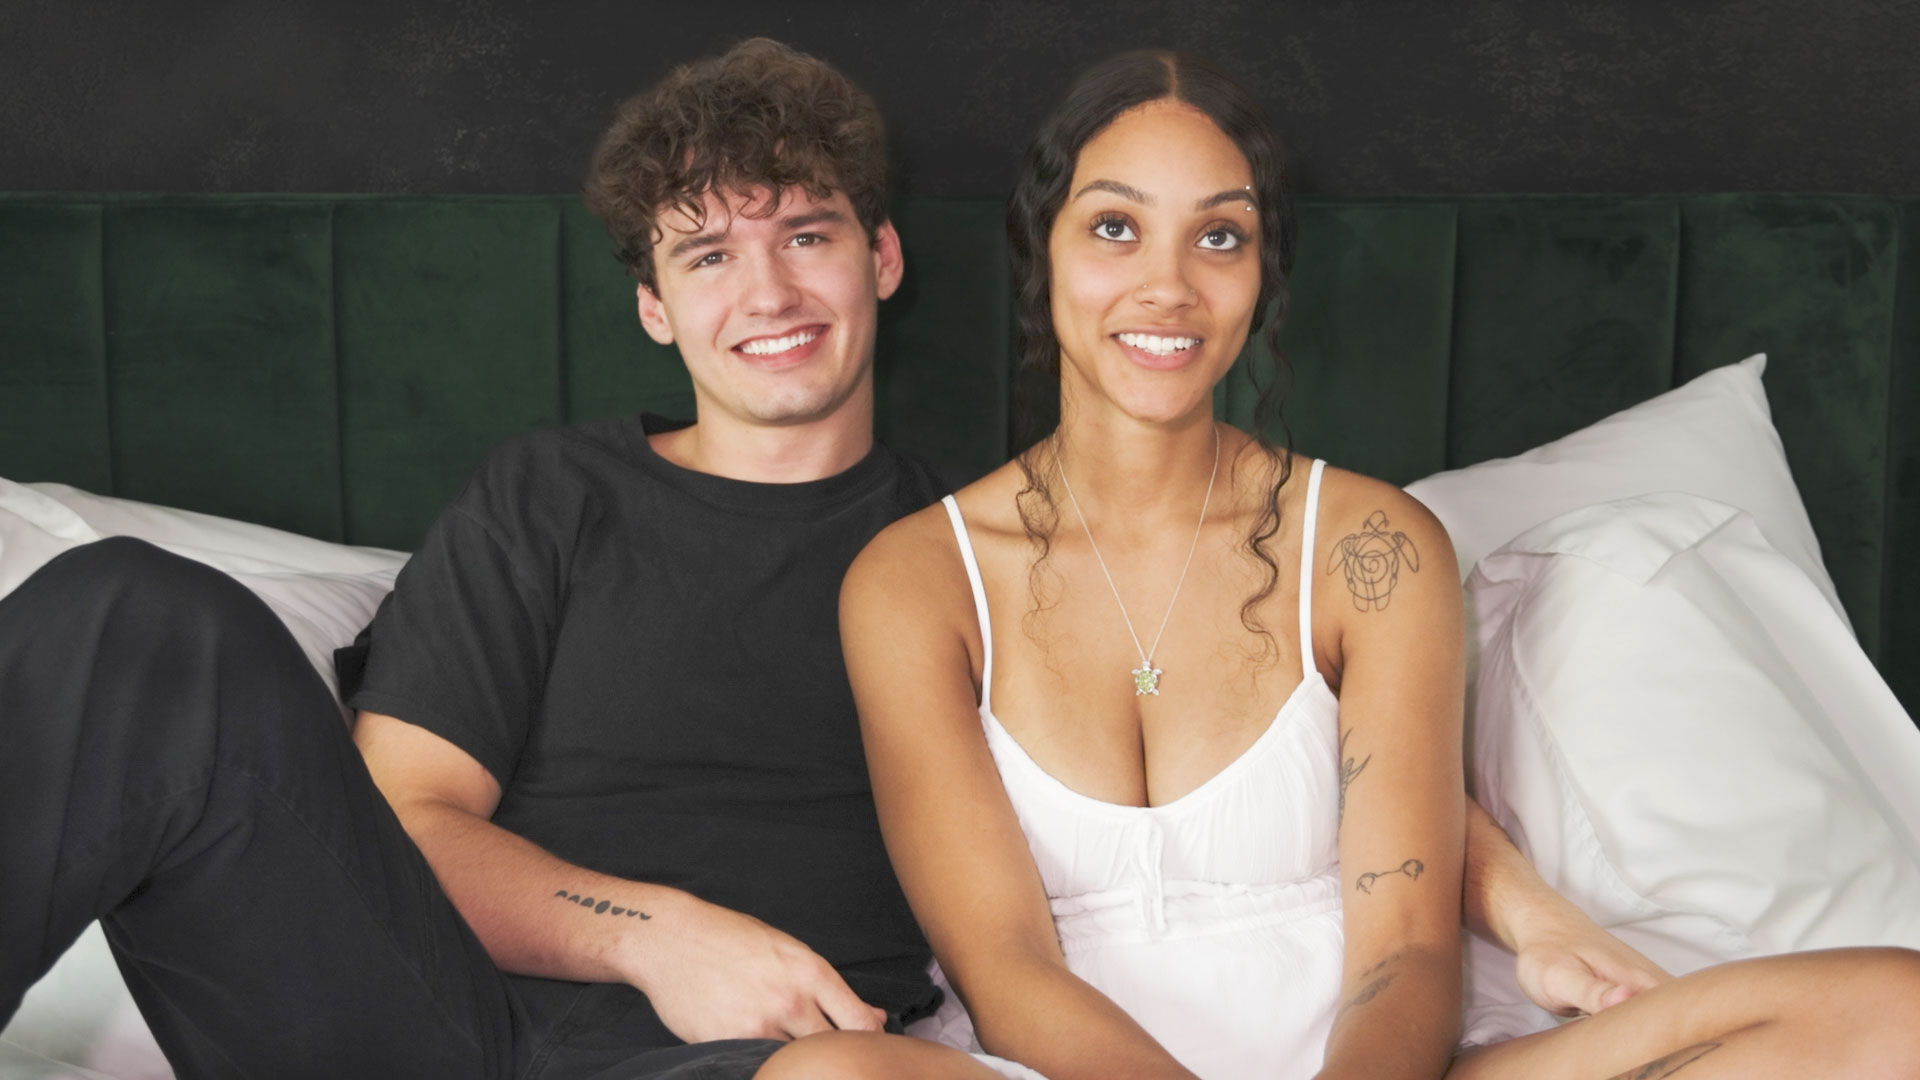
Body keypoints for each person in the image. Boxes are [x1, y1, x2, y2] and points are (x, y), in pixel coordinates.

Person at [839, 49, 1920, 1080]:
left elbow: (1406, 948)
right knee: (824, 1070)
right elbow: (1006, 970)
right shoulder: (916, 582)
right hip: (1055, 1070)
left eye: (1220, 237)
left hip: (1368, 1064)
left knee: (1891, 1010)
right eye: (1116, 228)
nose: (1167, 286)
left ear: (1263, 274)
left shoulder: (1373, 545)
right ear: (1042, 248)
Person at [0, 38, 1001, 1080]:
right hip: (419, 1024)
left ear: (882, 257)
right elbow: (400, 820)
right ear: (654, 308)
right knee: (134, 619)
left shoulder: (976, 552)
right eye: (708, 256)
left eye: (805, 235)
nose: (768, 293)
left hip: (760, 1063)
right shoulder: (548, 496)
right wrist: (658, 936)